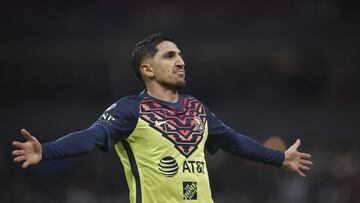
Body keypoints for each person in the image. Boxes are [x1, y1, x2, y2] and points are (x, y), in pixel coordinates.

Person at [12, 33, 313, 203]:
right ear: (147, 70)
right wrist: (47, 151)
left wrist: (279, 158)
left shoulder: (197, 109)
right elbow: (92, 137)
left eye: (180, 55)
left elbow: (234, 141)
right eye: (169, 56)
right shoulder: (130, 110)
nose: (180, 61)